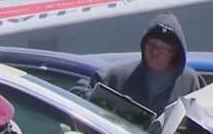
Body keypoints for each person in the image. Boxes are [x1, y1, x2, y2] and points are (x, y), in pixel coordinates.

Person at [71, 11, 204, 114]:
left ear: (175, 52)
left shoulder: (189, 81)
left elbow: (205, 115)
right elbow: (76, 93)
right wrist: (109, 103)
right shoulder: (118, 75)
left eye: (163, 48)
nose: (155, 52)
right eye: (151, 44)